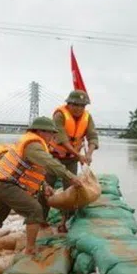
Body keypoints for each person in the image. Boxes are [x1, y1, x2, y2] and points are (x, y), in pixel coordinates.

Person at [0, 117, 83, 255]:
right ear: (40, 132)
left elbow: (32, 172)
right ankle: (30, 249)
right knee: (35, 210)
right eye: (51, 133)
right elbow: (49, 163)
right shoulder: (33, 145)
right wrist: (70, 176)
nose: (53, 137)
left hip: (0, 183)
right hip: (7, 186)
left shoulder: (29, 142)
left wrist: (45, 185)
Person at [47, 89, 99, 232]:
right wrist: (79, 155)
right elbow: (62, 139)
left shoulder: (87, 118)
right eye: (75, 105)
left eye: (82, 106)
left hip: (71, 160)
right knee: (46, 188)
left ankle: (65, 222)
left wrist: (89, 153)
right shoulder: (59, 115)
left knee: (71, 189)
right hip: (53, 158)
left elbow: (92, 136)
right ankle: (41, 220)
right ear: (68, 104)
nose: (78, 108)